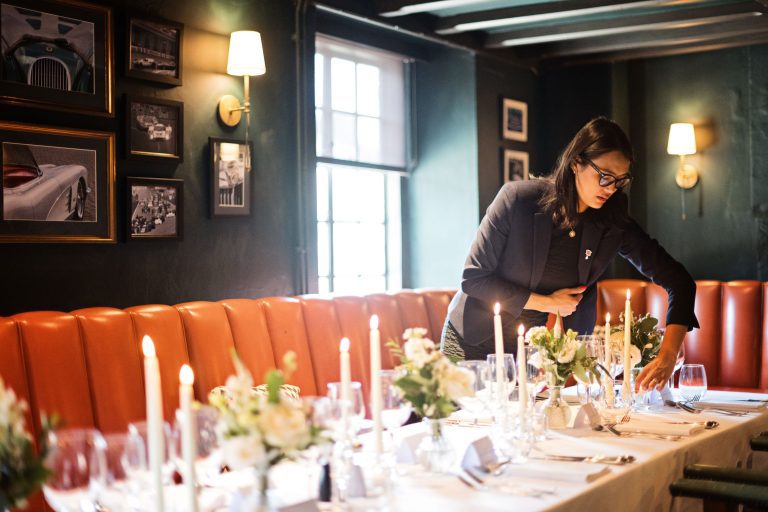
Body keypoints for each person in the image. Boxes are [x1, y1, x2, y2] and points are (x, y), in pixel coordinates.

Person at [441, 117, 698, 391]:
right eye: (605, 176)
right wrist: (547, 303)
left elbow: (679, 281)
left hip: (532, 355)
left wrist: (668, 355)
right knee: (466, 429)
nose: (611, 188)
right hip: (473, 342)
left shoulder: (613, 223)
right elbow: (474, 279)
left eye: (620, 180)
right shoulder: (518, 201)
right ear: (576, 162)